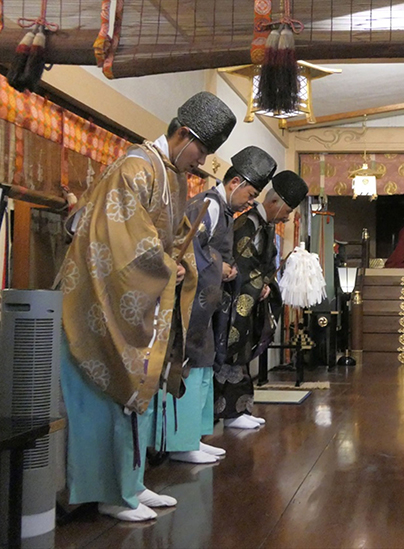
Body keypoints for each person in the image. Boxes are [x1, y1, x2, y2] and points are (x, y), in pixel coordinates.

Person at [58, 91, 236, 522]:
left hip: (137, 302)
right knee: (106, 399)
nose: (201, 162)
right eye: (201, 151)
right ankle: (109, 492)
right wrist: (163, 266)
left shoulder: (171, 175)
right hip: (100, 305)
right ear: (182, 134)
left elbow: (173, 239)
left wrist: (178, 263)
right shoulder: (135, 167)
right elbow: (118, 238)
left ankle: (131, 483)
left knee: (136, 392)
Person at [162, 146, 277, 464]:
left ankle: (195, 436)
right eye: (250, 193)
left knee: (202, 367)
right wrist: (221, 267)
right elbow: (189, 249)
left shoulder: (224, 211)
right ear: (235, 183)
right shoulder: (209, 206)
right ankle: (182, 441)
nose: (251, 201)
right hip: (192, 304)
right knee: (190, 366)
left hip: (206, 304)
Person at [214, 170, 309, 429]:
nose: (288, 217)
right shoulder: (248, 223)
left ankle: (238, 410)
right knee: (231, 353)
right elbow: (242, 261)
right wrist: (260, 284)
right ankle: (227, 412)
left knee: (242, 354)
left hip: (251, 297)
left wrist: (267, 283)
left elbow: (265, 266)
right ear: (274, 202)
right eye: (288, 210)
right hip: (234, 300)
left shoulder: (264, 226)